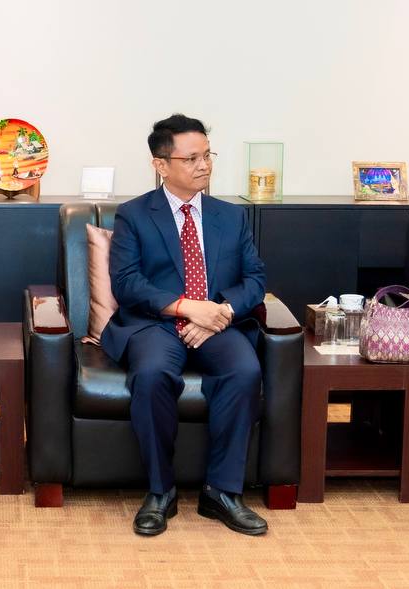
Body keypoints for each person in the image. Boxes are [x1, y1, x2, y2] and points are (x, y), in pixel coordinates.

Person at [103, 114, 268, 536]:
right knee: (152, 375)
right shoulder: (134, 215)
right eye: (191, 158)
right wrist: (187, 308)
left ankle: (222, 493)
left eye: (207, 155)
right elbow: (127, 283)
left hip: (217, 323)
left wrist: (220, 312)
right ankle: (161, 491)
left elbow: (255, 280)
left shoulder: (230, 216)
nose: (204, 165)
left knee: (244, 370)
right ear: (161, 164)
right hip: (156, 324)